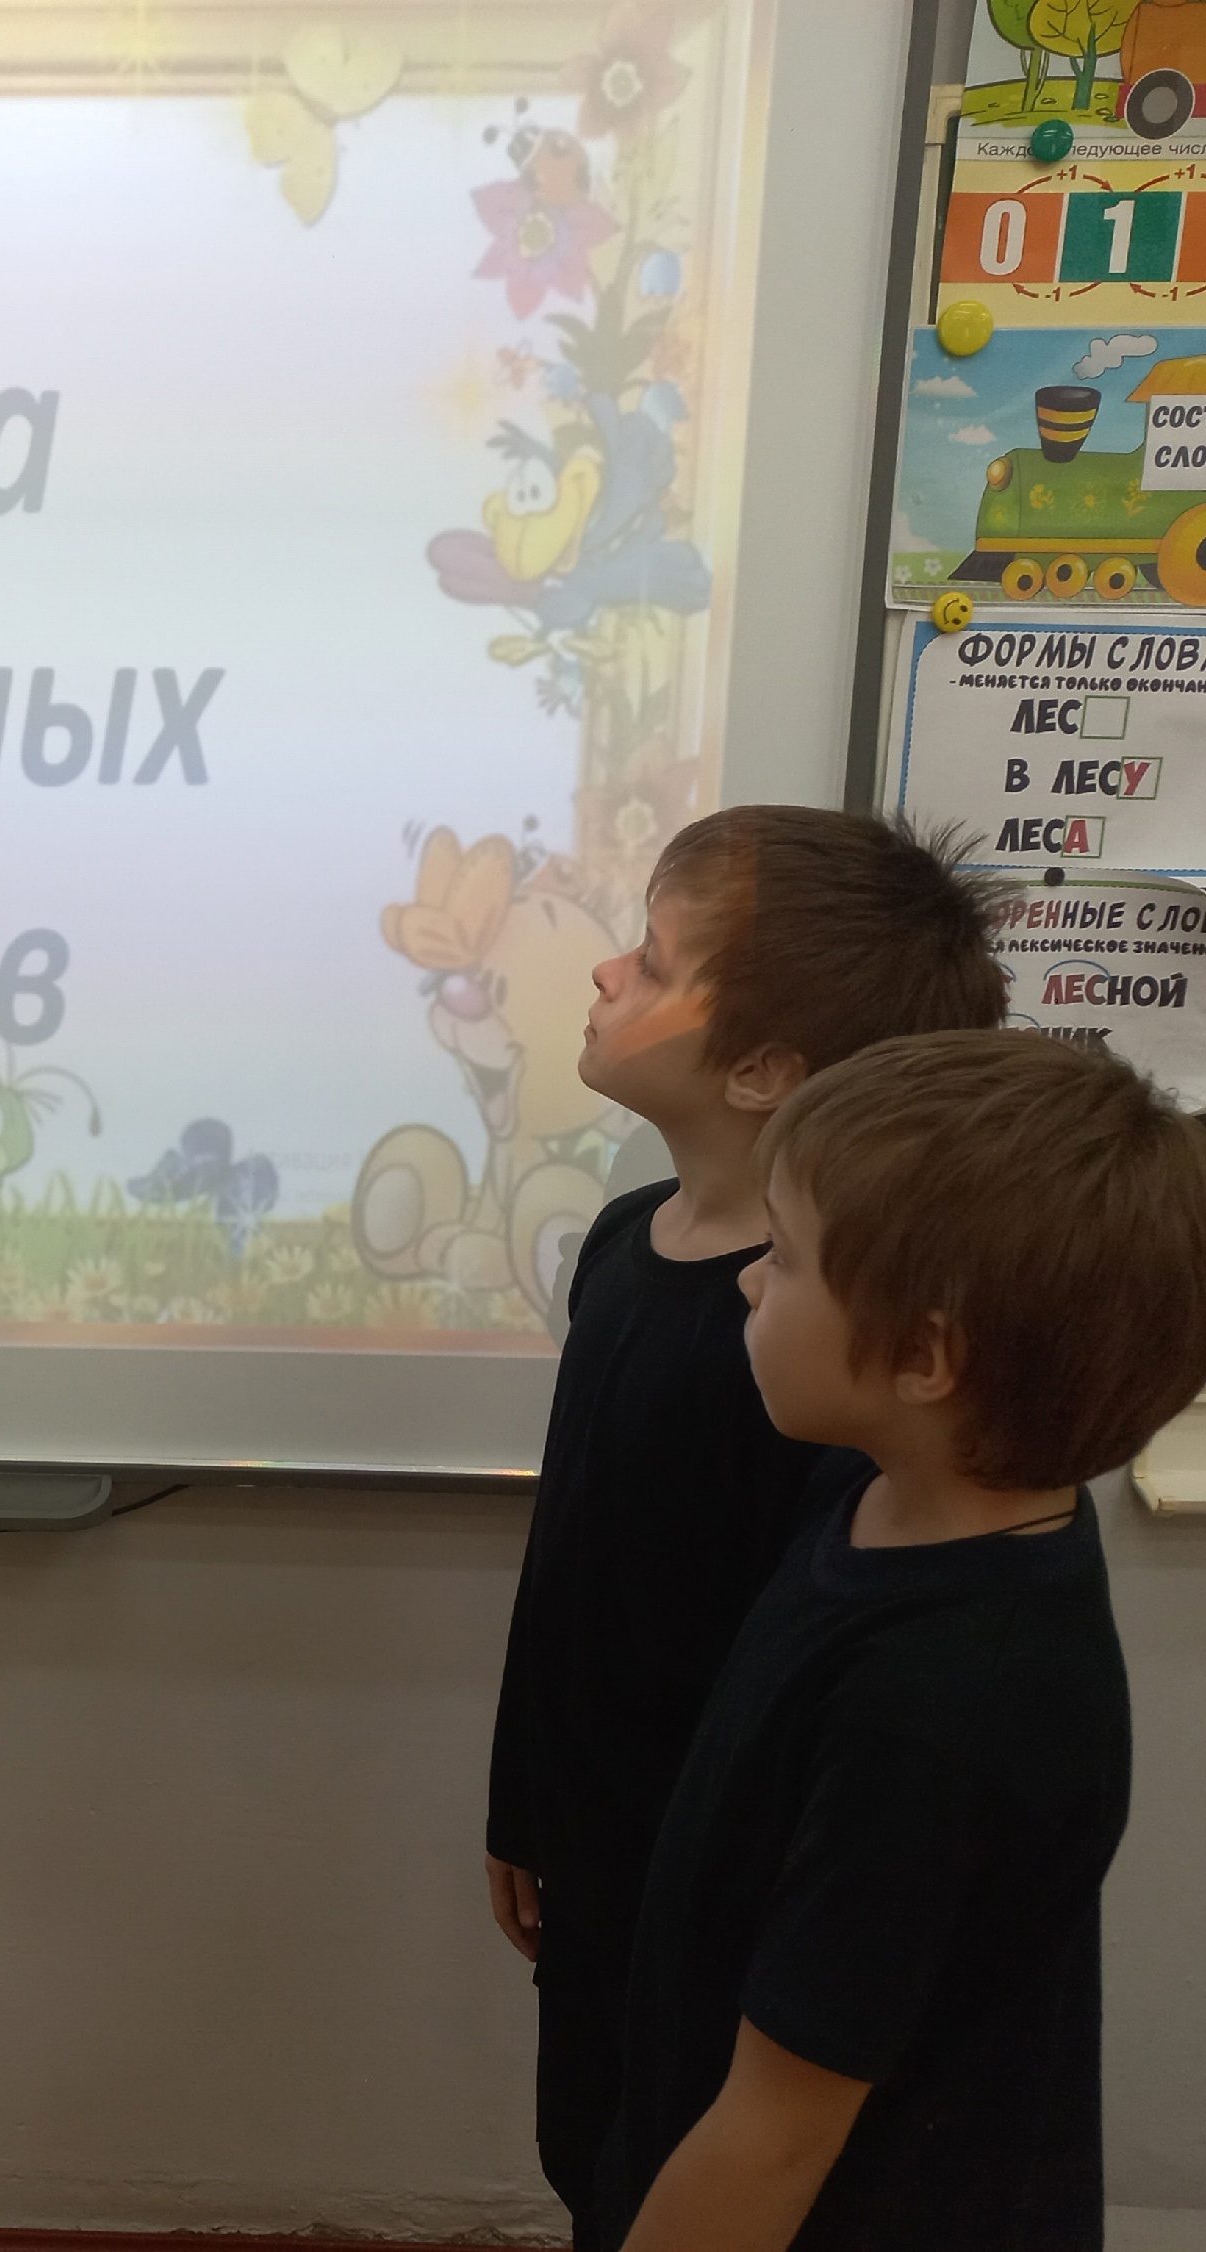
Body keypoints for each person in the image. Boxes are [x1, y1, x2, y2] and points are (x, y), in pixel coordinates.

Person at [482, 806, 1006, 2243]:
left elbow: (802, 1669)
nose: (607, 974)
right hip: (591, 1857)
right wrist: (522, 1797)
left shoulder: (820, 1350)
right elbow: (572, 1560)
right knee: (591, 2154)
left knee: (690, 2175)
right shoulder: (620, 1240)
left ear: (767, 1068)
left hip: (722, 1896)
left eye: (652, 963)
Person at [598, 1030, 1206, 2249]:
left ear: (925, 1356)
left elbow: (776, 2135)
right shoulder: (900, 1497)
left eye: (783, 1256)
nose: (748, 1283)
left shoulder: (944, 1705)